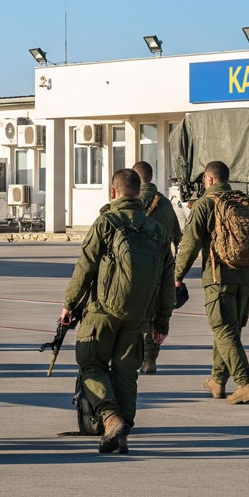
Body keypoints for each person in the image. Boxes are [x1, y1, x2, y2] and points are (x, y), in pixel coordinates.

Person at [62, 168, 174, 453]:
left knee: (91, 365)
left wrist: (69, 304)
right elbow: (166, 283)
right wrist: (162, 321)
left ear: (113, 192)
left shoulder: (106, 223)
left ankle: (111, 419)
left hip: (102, 312)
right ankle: (122, 437)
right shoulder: (157, 231)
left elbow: (85, 267)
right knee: (126, 374)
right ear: (139, 193)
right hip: (138, 317)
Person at [174, 160, 249, 404]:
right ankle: (218, 380)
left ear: (210, 180)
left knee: (224, 330)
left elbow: (190, 244)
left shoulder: (205, 204)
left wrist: (177, 275)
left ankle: (244, 383)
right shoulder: (246, 203)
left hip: (218, 278)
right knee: (229, 331)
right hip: (245, 278)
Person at [133, 161, 181, 375]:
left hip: (136, 268)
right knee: (158, 314)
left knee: (136, 314)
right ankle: (150, 358)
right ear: (151, 177)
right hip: (162, 267)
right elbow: (178, 237)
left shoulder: (132, 203)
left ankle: (135, 357)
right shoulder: (165, 203)